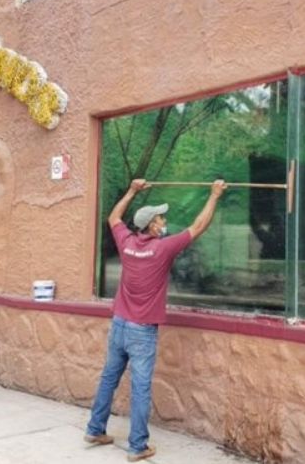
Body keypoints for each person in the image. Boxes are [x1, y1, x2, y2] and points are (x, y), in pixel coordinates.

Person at [85, 177, 227, 462]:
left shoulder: (126, 242)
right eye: (161, 218)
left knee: (109, 378)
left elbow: (114, 217)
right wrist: (214, 195)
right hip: (141, 331)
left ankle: (95, 429)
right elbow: (198, 227)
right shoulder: (162, 249)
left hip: (119, 325)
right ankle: (137, 447)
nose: (164, 221)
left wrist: (132, 191)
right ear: (151, 225)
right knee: (140, 387)